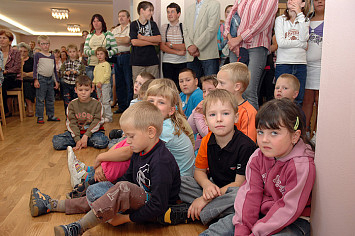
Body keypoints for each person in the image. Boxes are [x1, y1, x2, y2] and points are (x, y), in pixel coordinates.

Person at [30, 101, 182, 236]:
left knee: (120, 189)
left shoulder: (161, 161)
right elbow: (127, 178)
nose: (127, 141)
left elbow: (158, 205)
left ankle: (78, 228)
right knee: (103, 189)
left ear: (151, 132)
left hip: (154, 211)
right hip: (136, 200)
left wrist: (124, 219)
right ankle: (52, 205)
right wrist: (108, 192)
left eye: (131, 136)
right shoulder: (139, 151)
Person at [203, 98, 316, 236]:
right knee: (227, 221)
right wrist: (243, 228)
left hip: (292, 221)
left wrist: (256, 231)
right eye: (260, 132)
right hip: (261, 210)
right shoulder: (257, 156)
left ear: (294, 136)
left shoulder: (301, 166)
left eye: (274, 133)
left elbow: (288, 209)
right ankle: (196, 212)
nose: (264, 140)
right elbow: (251, 195)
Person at [159, 89, 256, 226]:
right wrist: (207, 185)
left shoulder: (245, 146)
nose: (219, 119)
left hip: (234, 190)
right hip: (213, 187)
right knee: (179, 180)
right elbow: (199, 171)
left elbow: (239, 183)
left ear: (236, 117)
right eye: (212, 115)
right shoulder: (207, 140)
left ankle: (193, 212)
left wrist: (205, 200)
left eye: (225, 113)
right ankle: (215, 212)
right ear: (205, 119)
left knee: (239, 195)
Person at [224, 0, 279, 110]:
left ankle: (251, 126)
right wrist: (231, 39)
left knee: (249, 89)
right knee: (233, 89)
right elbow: (231, 16)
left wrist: (239, 39)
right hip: (235, 46)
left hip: (257, 45)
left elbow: (262, 22)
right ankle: (235, 124)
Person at [52, 75, 108, 150]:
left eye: (86, 90)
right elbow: (71, 123)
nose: (83, 93)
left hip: (93, 133)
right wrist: (77, 139)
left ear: (92, 89)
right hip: (76, 133)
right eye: (80, 90)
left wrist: (86, 136)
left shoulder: (97, 104)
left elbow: (98, 121)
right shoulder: (72, 104)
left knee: (101, 142)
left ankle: (85, 141)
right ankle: (81, 142)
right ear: (76, 90)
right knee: (57, 142)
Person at [275, 0, 310, 105]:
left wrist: (299, 14)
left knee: (298, 100)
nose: (290, 1)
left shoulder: (305, 20)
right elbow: (281, 43)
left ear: (303, 4)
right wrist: (302, 45)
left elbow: (304, 37)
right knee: (281, 99)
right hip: (283, 63)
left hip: (300, 64)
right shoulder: (280, 20)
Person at [216, 62, 257, 143]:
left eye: (221, 83)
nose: (217, 87)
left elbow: (248, 144)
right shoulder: (219, 107)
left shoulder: (248, 112)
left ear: (237, 87)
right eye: (217, 83)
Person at [302, 0, 325, 143]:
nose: (320, 1)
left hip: (324, 67)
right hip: (307, 66)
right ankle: (305, 133)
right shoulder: (306, 19)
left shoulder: (333, 20)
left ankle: (319, 133)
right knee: (307, 100)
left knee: (320, 101)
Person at [184, 0, 220, 79]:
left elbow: (212, 28)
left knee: (211, 85)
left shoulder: (214, 4)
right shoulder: (189, 9)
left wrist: (196, 46)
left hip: (208, 55)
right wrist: (190, 46)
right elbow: (185, 30)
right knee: (192, 87)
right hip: (191, 56)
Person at [130, 1, 161, 81]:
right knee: (138, 86)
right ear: (141, 11)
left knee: (153, 85)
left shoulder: (153, 24)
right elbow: (135, 42)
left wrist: (142, 37)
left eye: (152, 11)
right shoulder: (134, 24)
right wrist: (152, 42)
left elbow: (158, 39)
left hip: (152, 61)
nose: (151, 13)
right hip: (137, 62)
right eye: (149, 10)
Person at [33, 35, 60, 124]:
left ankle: (51, 115)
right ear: (39, 45)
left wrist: (56, 81)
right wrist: (35, 79)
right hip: (41, 79)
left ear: (49, 44)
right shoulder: (38, 55)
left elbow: (54, 70)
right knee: (40, 99)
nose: (45, 46)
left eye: (47, 44)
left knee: (50, 98)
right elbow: (35, 68)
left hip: (50, 79)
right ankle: (40, 116)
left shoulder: (52, 56)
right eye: (43, 44)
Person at [84, 14, 119, 82]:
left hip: (105, 65)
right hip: (91, 65)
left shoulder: (109, 34)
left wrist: (105, 53)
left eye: (98, 21)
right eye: (94, 21)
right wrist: (95, 52)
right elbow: (85, 51)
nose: (96, 23)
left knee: (106, 87)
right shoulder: (89, 36)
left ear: (102, 22)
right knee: (91, 87)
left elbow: (115, 50)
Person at [160, 2, 187, 89]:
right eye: (168, 12)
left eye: (172, 12)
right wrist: (177, 52)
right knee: (168, 88)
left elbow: (186, 46)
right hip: (167, 62)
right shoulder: (164, 27)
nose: (169, 14)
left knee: (181, 87)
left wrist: (171, 45)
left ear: (178, 14)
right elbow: (162, 46)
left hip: (182, 62)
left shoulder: (184, 27)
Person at [112, 10, 133, 114]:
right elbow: (110, 42)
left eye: (123, 16)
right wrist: (121, 39)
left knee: (128, 82)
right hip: (116, 56)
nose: (121, 18)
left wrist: (117, 39)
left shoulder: (131, 27)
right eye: (119, 16)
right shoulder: (115, 29)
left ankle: (129, 107)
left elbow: (127, 41)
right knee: (119, 83)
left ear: (128, 18)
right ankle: (121, 106)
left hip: (127, 56)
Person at [188, 75, 218, 150]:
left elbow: (206, 134)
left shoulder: (219, 110)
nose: (206, 94)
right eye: (204, 91)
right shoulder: (204, 106)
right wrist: (196, 110)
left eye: (210, 91)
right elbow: (190, 128)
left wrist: (198, 114)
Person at [0, 29, 21, 117]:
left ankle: (4, 111)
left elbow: (17, 67)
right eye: (0, 38)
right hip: (1, 76)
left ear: (10, 41)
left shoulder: (15, 52)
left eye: (4, 38)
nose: (1, 40)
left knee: (2, 84)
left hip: (13, 78)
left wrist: (5, 71)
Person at [59, 44, 86, 114]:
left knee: (76, 100)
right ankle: (68, 116)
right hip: (66, 84)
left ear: (77, 52)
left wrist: (77, 72)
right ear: (67, 53)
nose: (72, 53)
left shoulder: (80, 63)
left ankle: (77, 115)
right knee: (67, 100)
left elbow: (83, 72)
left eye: (74, 51)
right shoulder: (65, 63)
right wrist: (65, 72)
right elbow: (61, 71)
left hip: (76, 85)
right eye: (70, 52)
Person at [93, 47, 113, 123]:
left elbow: (107, 75)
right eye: (98, 54)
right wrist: (93, 83)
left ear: (105, 55)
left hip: (105, 85)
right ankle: (103, 116)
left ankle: (108, 116)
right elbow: (95, 76)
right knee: (100, 101)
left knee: (105, 101)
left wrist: (101, 82)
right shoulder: (97, 66)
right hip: (98, 86)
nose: (99, 56)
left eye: (101, 54)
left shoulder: (106, 64)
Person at [18, 42, 35, 117]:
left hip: (29, 79)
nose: (22, 53)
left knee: (27, 85)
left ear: (28, 52)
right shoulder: (16, 61)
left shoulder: (32, 60)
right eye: (20, 51)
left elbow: (35, 72)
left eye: (25, 51)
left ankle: (29, 106)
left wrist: (26, 74)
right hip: (17, 80)